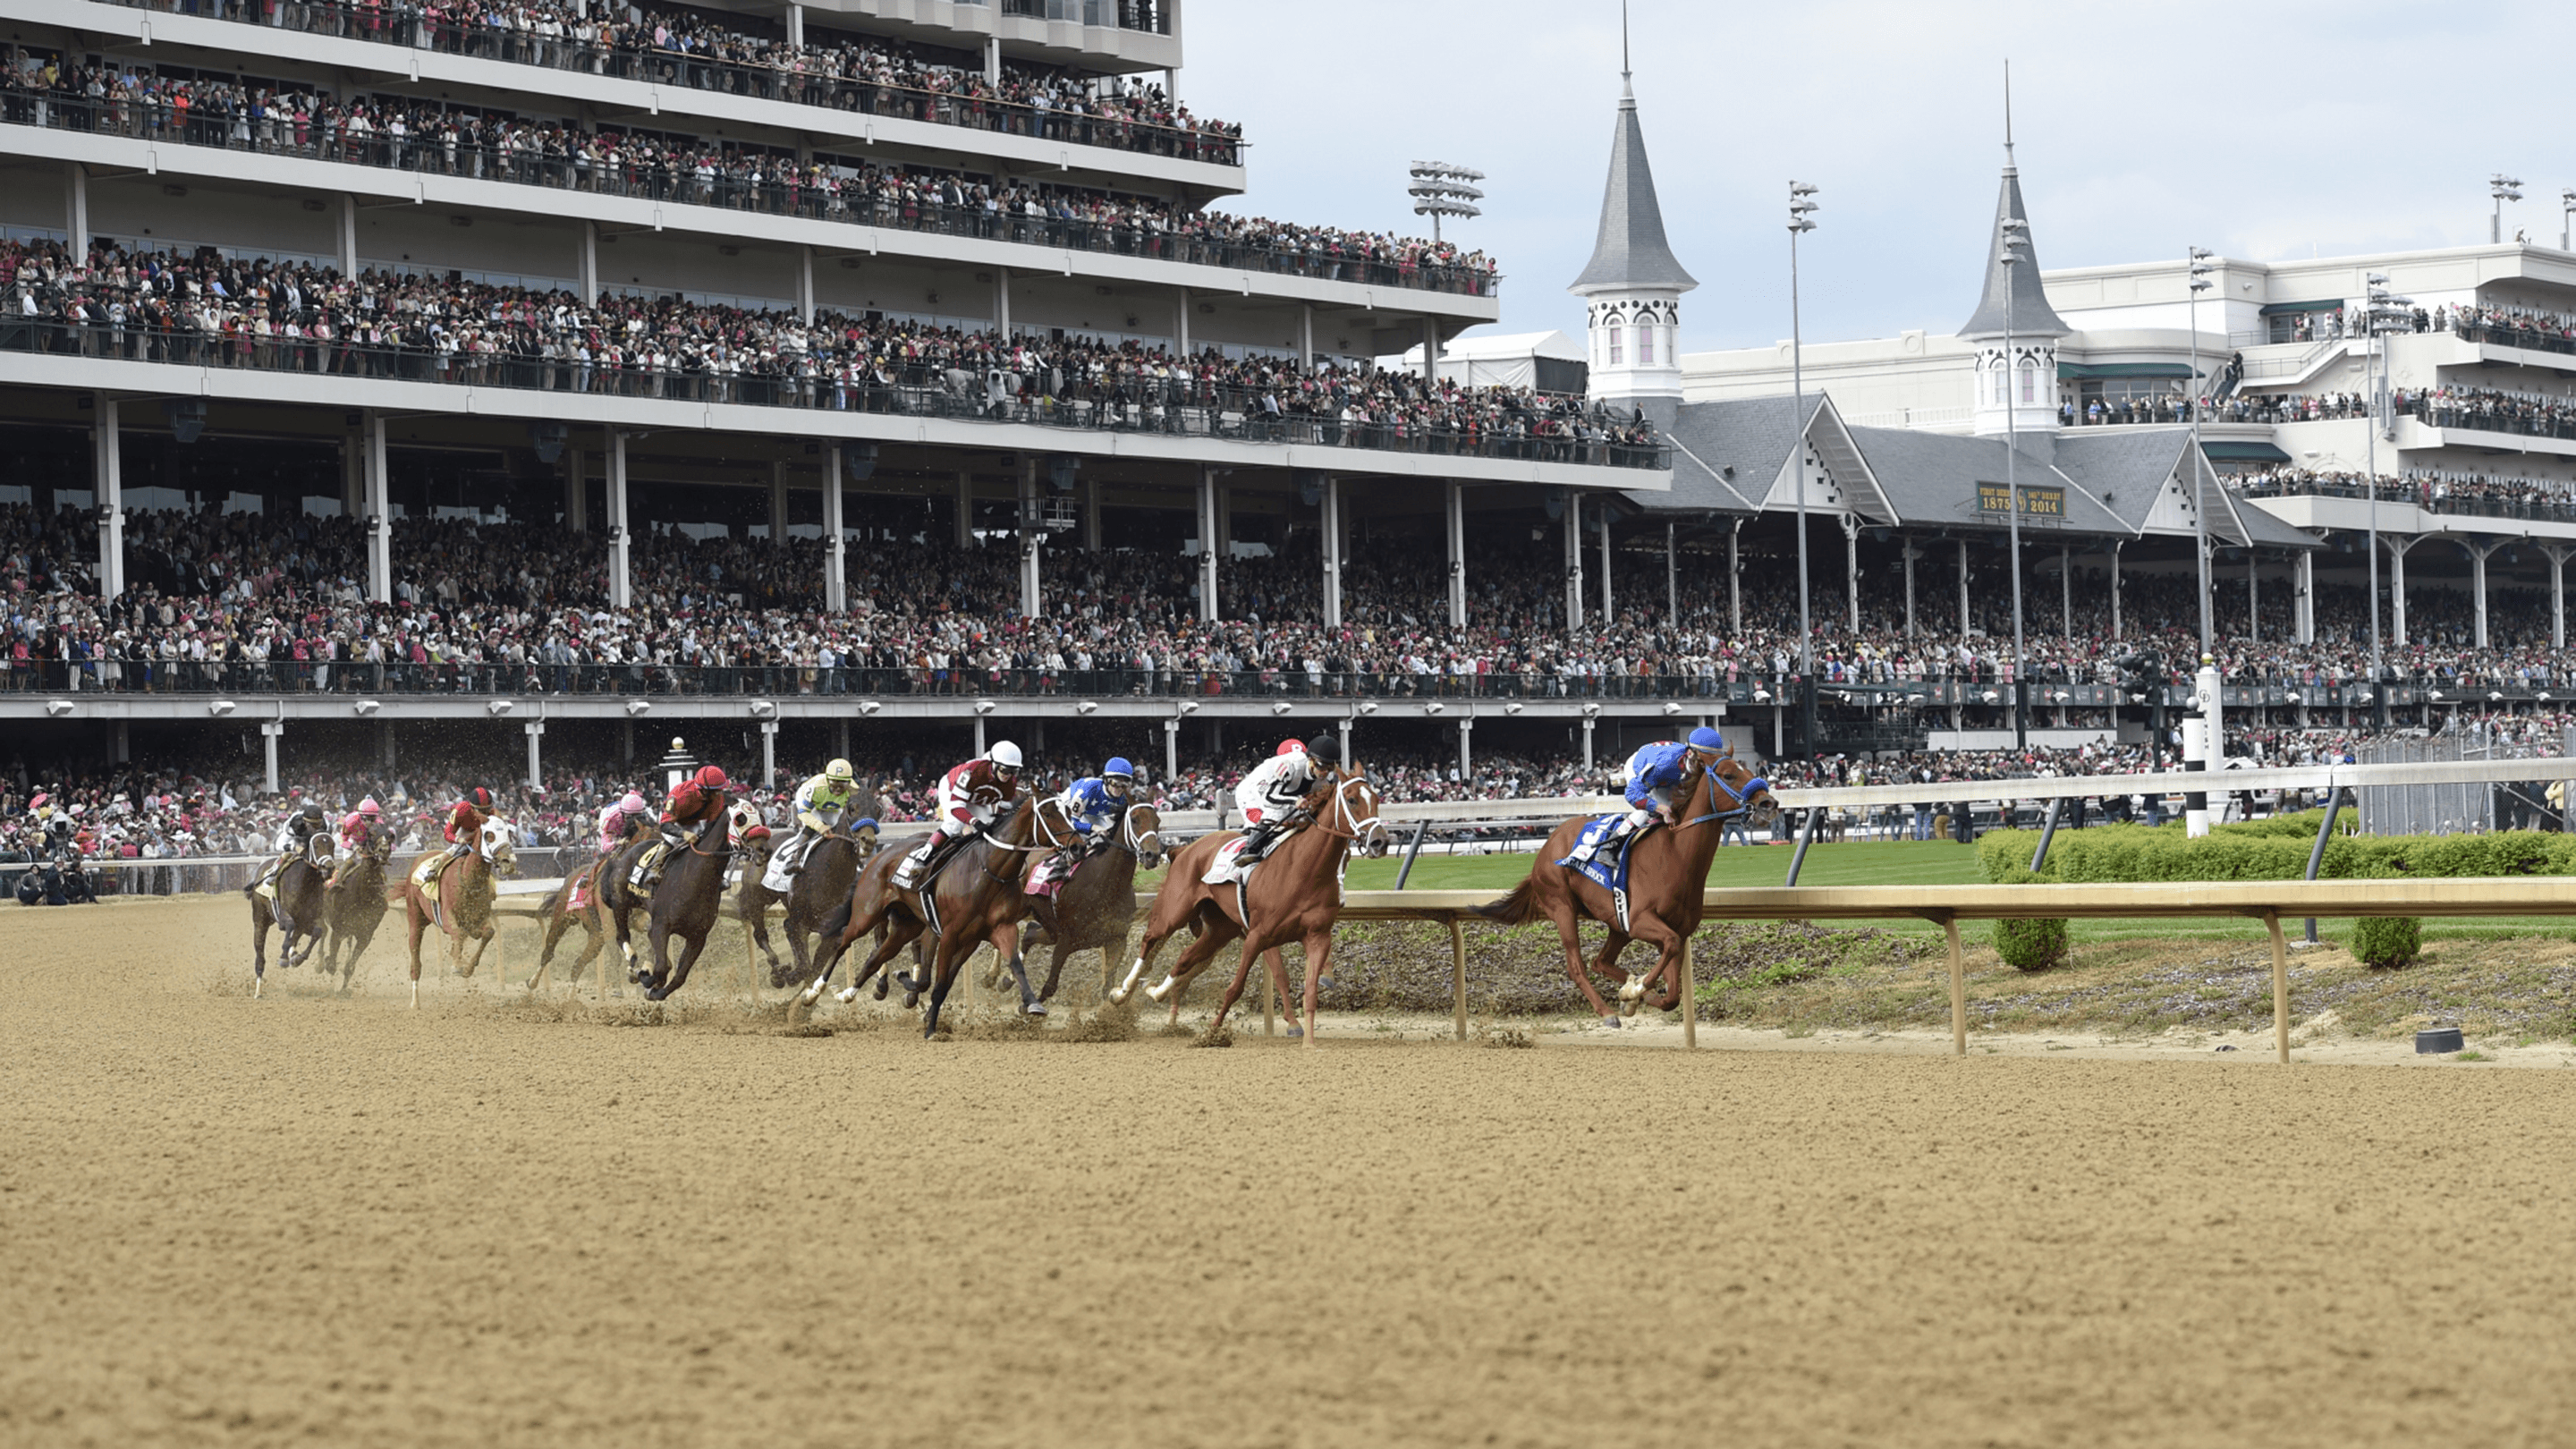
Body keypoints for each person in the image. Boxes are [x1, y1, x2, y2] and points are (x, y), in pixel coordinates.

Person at [1575, 726, 1725, 862]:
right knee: (1658, 808)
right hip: (1639, 765)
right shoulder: (1664, 765)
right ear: (1691, 753)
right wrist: (1659, 808)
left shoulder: (1691, 761)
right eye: (1704, 760)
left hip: (1669, 772)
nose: (1708, 766)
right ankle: (1609, 847)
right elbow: (1633, 794)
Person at [893, 741, 1022, 890]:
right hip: (952, 790)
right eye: (1005, 770)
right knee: (955, 823)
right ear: (993, 764)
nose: (1009, 776)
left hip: (978, 798)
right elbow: (956, 808)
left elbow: (1002, 813)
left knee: (992, 829)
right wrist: (974, 821)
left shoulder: (1010, 783)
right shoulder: (973, 772)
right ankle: (923, 858)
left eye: (1014, 771)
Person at [1231, 735, 1340, 869]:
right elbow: (1268, 798)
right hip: (1255, 792)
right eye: (1321, 766)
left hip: (1286, 792)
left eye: (1330, 768)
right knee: (1275, 814)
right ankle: (1249, 851)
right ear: (1310, 760)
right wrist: (1295, 801)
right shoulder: (1290, 765)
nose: (1324, 772)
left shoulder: (1327, 776)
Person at [1030, 757, 1132, 897]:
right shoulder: (1087, 791)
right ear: (1106, 779)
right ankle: (1058, 870)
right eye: (1115, 782)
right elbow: (1075, 823)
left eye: (1124, 785)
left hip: (1094, 813)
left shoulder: (1124, 798)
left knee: (1108, 840)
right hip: (1070, 809)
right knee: (1078, 841)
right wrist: (1094, 828)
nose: (1119, 789)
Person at [634, 766, 730, 891]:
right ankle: (654, 870)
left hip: (697, 822)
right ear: (705, 790)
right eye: (717, 791)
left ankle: (718, 876)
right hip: (675, 823)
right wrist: (684, 834)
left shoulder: (717, 796)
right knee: (671, 841)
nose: (719, 793)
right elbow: (665, 826)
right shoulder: (681, 795)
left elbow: (711, 823)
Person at [767, 758, 860, 887]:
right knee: (812, 827)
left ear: (849, 783)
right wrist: (819, 826)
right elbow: (804, 813)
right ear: (828, 780)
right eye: (835, 784)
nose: (838, 789)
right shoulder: (816, 787)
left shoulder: (854, 789)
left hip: (831, 806)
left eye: (842, 786)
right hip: (812, 805)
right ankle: (795, 857)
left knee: (842, 825)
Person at [259, 801, 330, 891]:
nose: (314, 828)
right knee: (288, 854)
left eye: (317, 825)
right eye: (311, 825)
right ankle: (273, 873)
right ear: (304, 822)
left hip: (314, 843)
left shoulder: (326, 826)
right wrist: (294, 847)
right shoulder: (295, 824)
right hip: (297, 841)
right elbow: (279, 845)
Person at [323, 797, 383, 892]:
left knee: (377, 860)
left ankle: (382, 883)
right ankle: (338, 882)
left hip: (367, 841)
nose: (371, 822)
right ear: (361, 816)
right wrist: (354, 847)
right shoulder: (350, 820)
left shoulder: (379, 822)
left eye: (373, 818)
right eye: (368, 818)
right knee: (349, 861)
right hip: (353, 840)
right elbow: (342, 841)